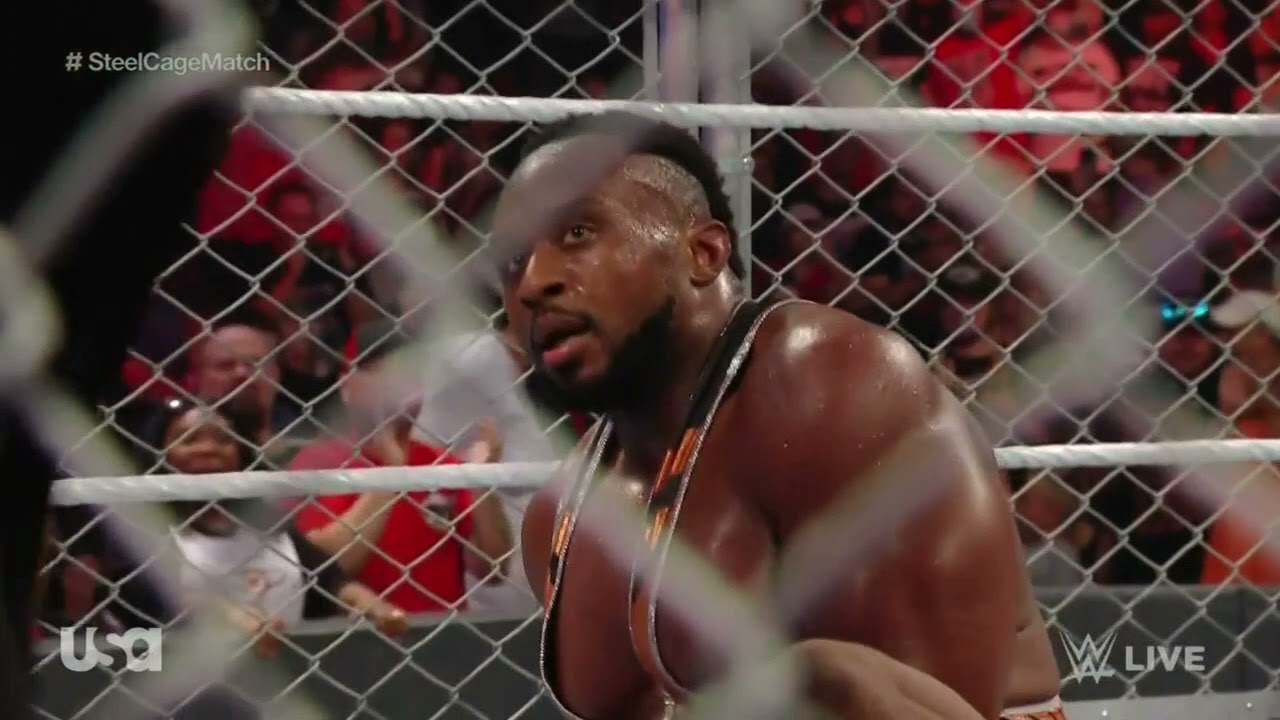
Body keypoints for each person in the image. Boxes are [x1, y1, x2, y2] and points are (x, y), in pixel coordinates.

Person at [490, 112, 1065, 720]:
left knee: (822, 677)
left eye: (578, 233)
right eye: (513, 260)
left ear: (704, 252)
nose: (534, 282)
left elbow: (926, 704)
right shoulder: (561, 516)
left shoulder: (831, 387)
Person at [141, 397, 410, 648]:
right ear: (161, 454)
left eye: (224, 439)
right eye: (188, 439)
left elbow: (330, 580)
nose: (209, 449)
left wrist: (370, 605)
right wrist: (232, 615)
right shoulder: (148, 528)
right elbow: (163, 597)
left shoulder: (272, 528)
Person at [288, 318, 516, 612]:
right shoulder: (317, 463)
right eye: (380, 373)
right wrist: (391, 477)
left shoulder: (440, 464)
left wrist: (481, 482)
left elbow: (493, 569)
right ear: (347, 388)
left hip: (446, 634)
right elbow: (321, 572)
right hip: (361, 632)